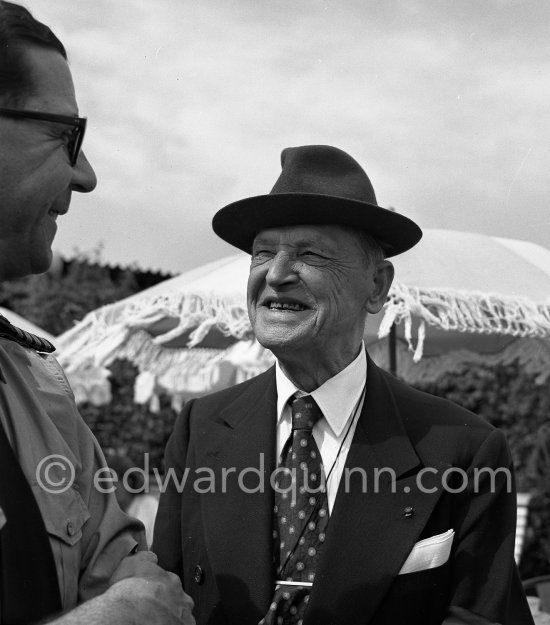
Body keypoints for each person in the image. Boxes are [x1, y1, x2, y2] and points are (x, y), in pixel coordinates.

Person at [153, 144, 534, 624]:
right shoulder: (200, 427)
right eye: (262, 253)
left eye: (309, 255)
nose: (275, 274)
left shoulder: (463, 448)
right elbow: (164, 602)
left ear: (376, 286)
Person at [0, 3, 194, 623]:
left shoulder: (35, 384)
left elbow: (123, 561)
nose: (85, 176)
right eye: (65, 135)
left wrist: (133, 597)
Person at [106, 451, 159, 547]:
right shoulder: (116, 510)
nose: (108, 489)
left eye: (112, 483)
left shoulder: (148, 506)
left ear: (128, 482)